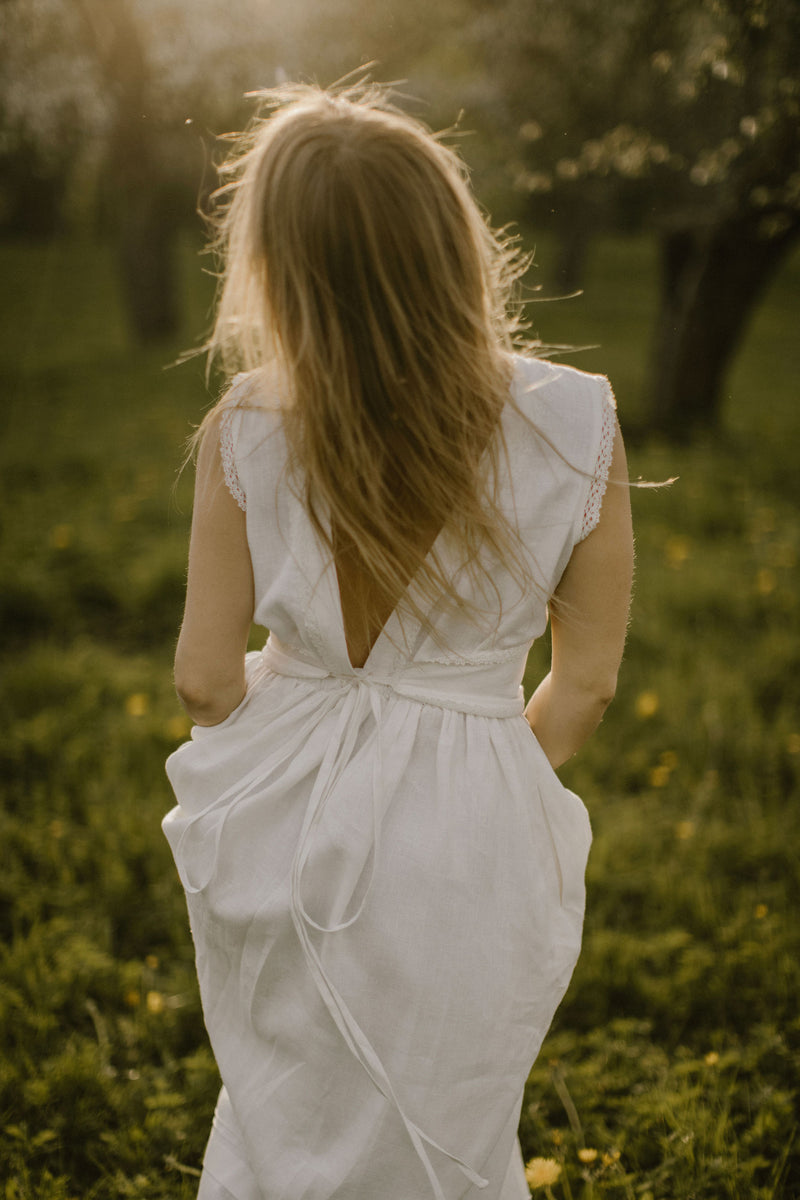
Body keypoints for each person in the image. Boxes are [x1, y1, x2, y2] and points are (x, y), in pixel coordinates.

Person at [163, 79, 634, 1200]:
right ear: (455, 239)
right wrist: (472, 767)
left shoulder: (250, 421)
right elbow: (588, 687)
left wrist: (287, 750)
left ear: (276, 267)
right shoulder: (574, 419)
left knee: (289, 1102)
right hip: (475, 808)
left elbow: (200, 677)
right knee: (448, 1119)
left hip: (292, 803)